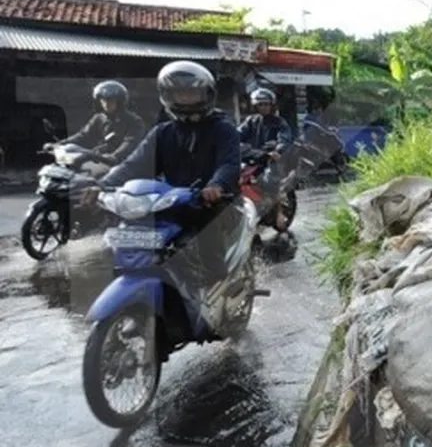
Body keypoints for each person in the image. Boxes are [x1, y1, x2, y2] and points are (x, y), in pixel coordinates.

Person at [88, 61, 243, 295]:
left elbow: (228, 164)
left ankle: (218, 285)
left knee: (206, 232)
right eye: (180, 93)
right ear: (168, 96)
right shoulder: (162, 133)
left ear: (207, 94)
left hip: (213, 202)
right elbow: (133, 165)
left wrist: (216, 185)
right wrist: (101, 185)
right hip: (171, 202)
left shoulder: (223, 129)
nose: (186, 99)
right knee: (135, 228)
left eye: (192, 93)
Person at [51, 80, 146, 178]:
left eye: (110, 100)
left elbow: (129, 144)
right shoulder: (99, 118)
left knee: (89, 176)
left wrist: (114, 157)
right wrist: (60, 143)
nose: (106, 103)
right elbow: (83, 135)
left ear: (120, 102)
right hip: (99, 158)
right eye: (103, 100)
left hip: (122, 164)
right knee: (67, 164)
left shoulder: (134, 121)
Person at [239, 88, 294, 228]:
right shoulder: (250, 121)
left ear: (271, 105)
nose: (263, 107)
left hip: (271, 159)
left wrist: (278, 150)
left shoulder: (279, 122)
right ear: (255, 106)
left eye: (266, 104)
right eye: (260, 104)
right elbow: (236, 135)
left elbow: (285, 139)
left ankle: (279, 213)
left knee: (270, 179)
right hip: (253, 156)